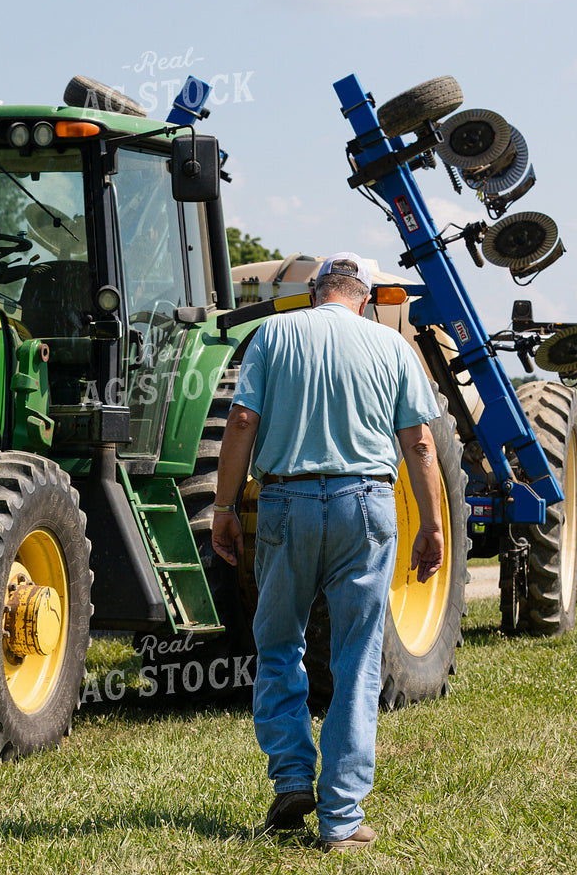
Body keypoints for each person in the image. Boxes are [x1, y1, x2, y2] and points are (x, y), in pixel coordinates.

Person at [211, 251, 446, 853]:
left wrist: (225, 507)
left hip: (286, 505)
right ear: (364, 298)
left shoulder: (273, 333)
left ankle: (292, 777)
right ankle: (341, 818)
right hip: (364, 506)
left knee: (279, 644)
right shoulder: (391, 347)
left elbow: (240, 422)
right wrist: (433, 527)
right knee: (356, 659)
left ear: (317, 292)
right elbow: (420, 443)